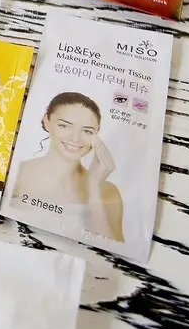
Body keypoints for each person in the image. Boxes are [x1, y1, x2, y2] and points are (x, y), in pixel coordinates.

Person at [12, 91, 124, 242]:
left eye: (87, 131)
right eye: (64, 126)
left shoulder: (108, 191)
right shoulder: (18, 173)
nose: (75, 139)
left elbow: (112, 250)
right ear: (46, 121)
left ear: (97, 134)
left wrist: (94, 189)